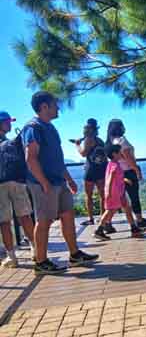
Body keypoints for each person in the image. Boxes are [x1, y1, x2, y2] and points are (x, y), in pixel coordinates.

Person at [23, 91, 99, 274]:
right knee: (44, 220)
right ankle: (41, 262)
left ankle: (74, 254)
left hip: (58, 181)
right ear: (44, 107)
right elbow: (30, 158)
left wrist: (69, 180)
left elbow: (57, 158)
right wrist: (44, 182)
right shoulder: (33, 127)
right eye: (55, 105)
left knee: (67, 215)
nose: (58, 108)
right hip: (44, 183)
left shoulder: (50, 128)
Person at [0, 111, 35, 268]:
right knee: (25, 216)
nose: (10, 124)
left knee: (4, 222)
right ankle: (36, 250)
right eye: (7, 121)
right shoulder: (10, 142)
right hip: (17, 181)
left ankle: (11, 257)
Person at [93, 145, 146, 241]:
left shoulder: (112, 164)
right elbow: (110, 179)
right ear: (114, 154)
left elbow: (117, 177)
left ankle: (134, 229)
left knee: (127, 208)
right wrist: (109, 192)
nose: (121, 154)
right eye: (119, 152)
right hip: (115, 193)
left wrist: (124, 179)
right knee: (110, 211)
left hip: (119, 192)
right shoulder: (115, 165)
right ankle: (99, 230)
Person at [106, 119, 146, 229]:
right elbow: (128, 158)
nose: (124, 127)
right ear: (119, 128)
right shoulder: (122, 141)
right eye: (122, 125)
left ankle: (107, 223)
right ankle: (139, 220)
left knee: (119, 199)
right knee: (133, 197)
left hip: (117, 172)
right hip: (128, 172)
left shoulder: (110, 142)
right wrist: (137, 170)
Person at [75, 118, 108, 225]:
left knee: (88, 196)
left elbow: (83, 153)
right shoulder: (100, 140)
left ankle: (90, 218)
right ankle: (103, 217)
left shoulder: (88, 139)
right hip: (101, 170)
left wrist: (77, 145)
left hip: (90, 171)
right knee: (102, 195)